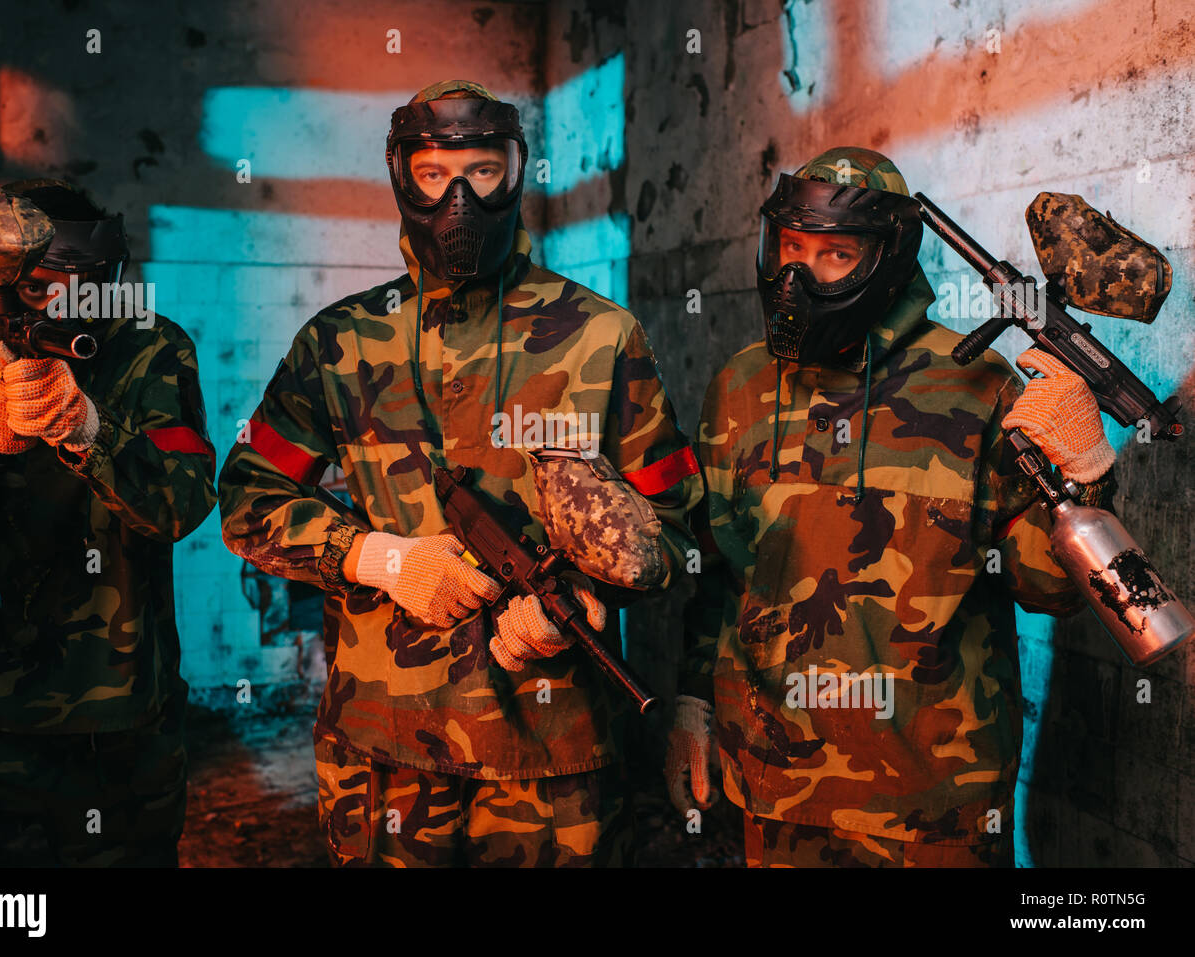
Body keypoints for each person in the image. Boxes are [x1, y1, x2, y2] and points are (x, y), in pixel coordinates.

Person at [219, 80, 702, 867]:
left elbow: (675, 526)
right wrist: (381, 558)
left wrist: (586, 599)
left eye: (483, 171)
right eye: (435, 173)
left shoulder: (601, 337)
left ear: (517, 174)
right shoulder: (340, 341)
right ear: (400, 178)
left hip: (549, 757)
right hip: (384, 750)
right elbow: (246, 501)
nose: (460, 199)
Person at [666, 147, 1117, 867]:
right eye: (790, 248)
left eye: (834, 255)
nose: (798, 277)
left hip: (935, 806)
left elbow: (1050, 586)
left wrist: (1085, 471)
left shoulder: (977, 385)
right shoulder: (741, 386)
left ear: (888, 258)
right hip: (773, 789)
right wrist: (691, 699)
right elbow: (718, 572)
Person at [0, 180, 216, 866]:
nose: (72, 307)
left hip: (120, 732)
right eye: (46, 285)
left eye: (90, 284)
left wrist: (89, 428)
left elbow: (183, 502)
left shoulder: (149, 349)